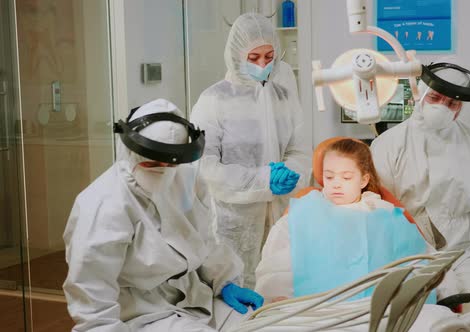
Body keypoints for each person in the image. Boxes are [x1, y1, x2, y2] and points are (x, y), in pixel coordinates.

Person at [63, 99, 263, 331]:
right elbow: (92, 296)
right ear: (132, 151)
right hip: (138, 312)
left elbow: (205, 240)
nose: (163, 171)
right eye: (152, 163)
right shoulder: (104, 204)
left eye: (169, 164)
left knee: (261, 325)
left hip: (194, 297)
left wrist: (223, 281)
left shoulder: (188, 180)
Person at [370, 62, 470, 300]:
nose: (442, 107)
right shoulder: (389, 144)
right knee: (427, 311)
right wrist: (415, 248)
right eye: (435, 98)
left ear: (461, 108)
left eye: (452, 103)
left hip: (465, 247)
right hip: (412, 248)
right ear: (421, 94)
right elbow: (382, 206)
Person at [190, 13, 311, 288]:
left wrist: (290, 174)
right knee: (235, 286)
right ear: (235, 56)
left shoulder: (284, 97)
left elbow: (299, 149)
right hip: (233, 217)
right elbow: (203, 164)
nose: (263, 65)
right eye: (254, 58)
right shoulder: (214, 100)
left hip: (279, 210)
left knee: (277, 286)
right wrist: (261, 178)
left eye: (269, 57)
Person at [255, 138, 426, 303]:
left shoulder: (382, 212)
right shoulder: (303, 212)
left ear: (363, 180)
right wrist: (279, 297)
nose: (336, 184)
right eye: (329, 177)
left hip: (372, 307)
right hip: (312, 308)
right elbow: (276, 265)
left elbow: (419, 259)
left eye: (346, 178)